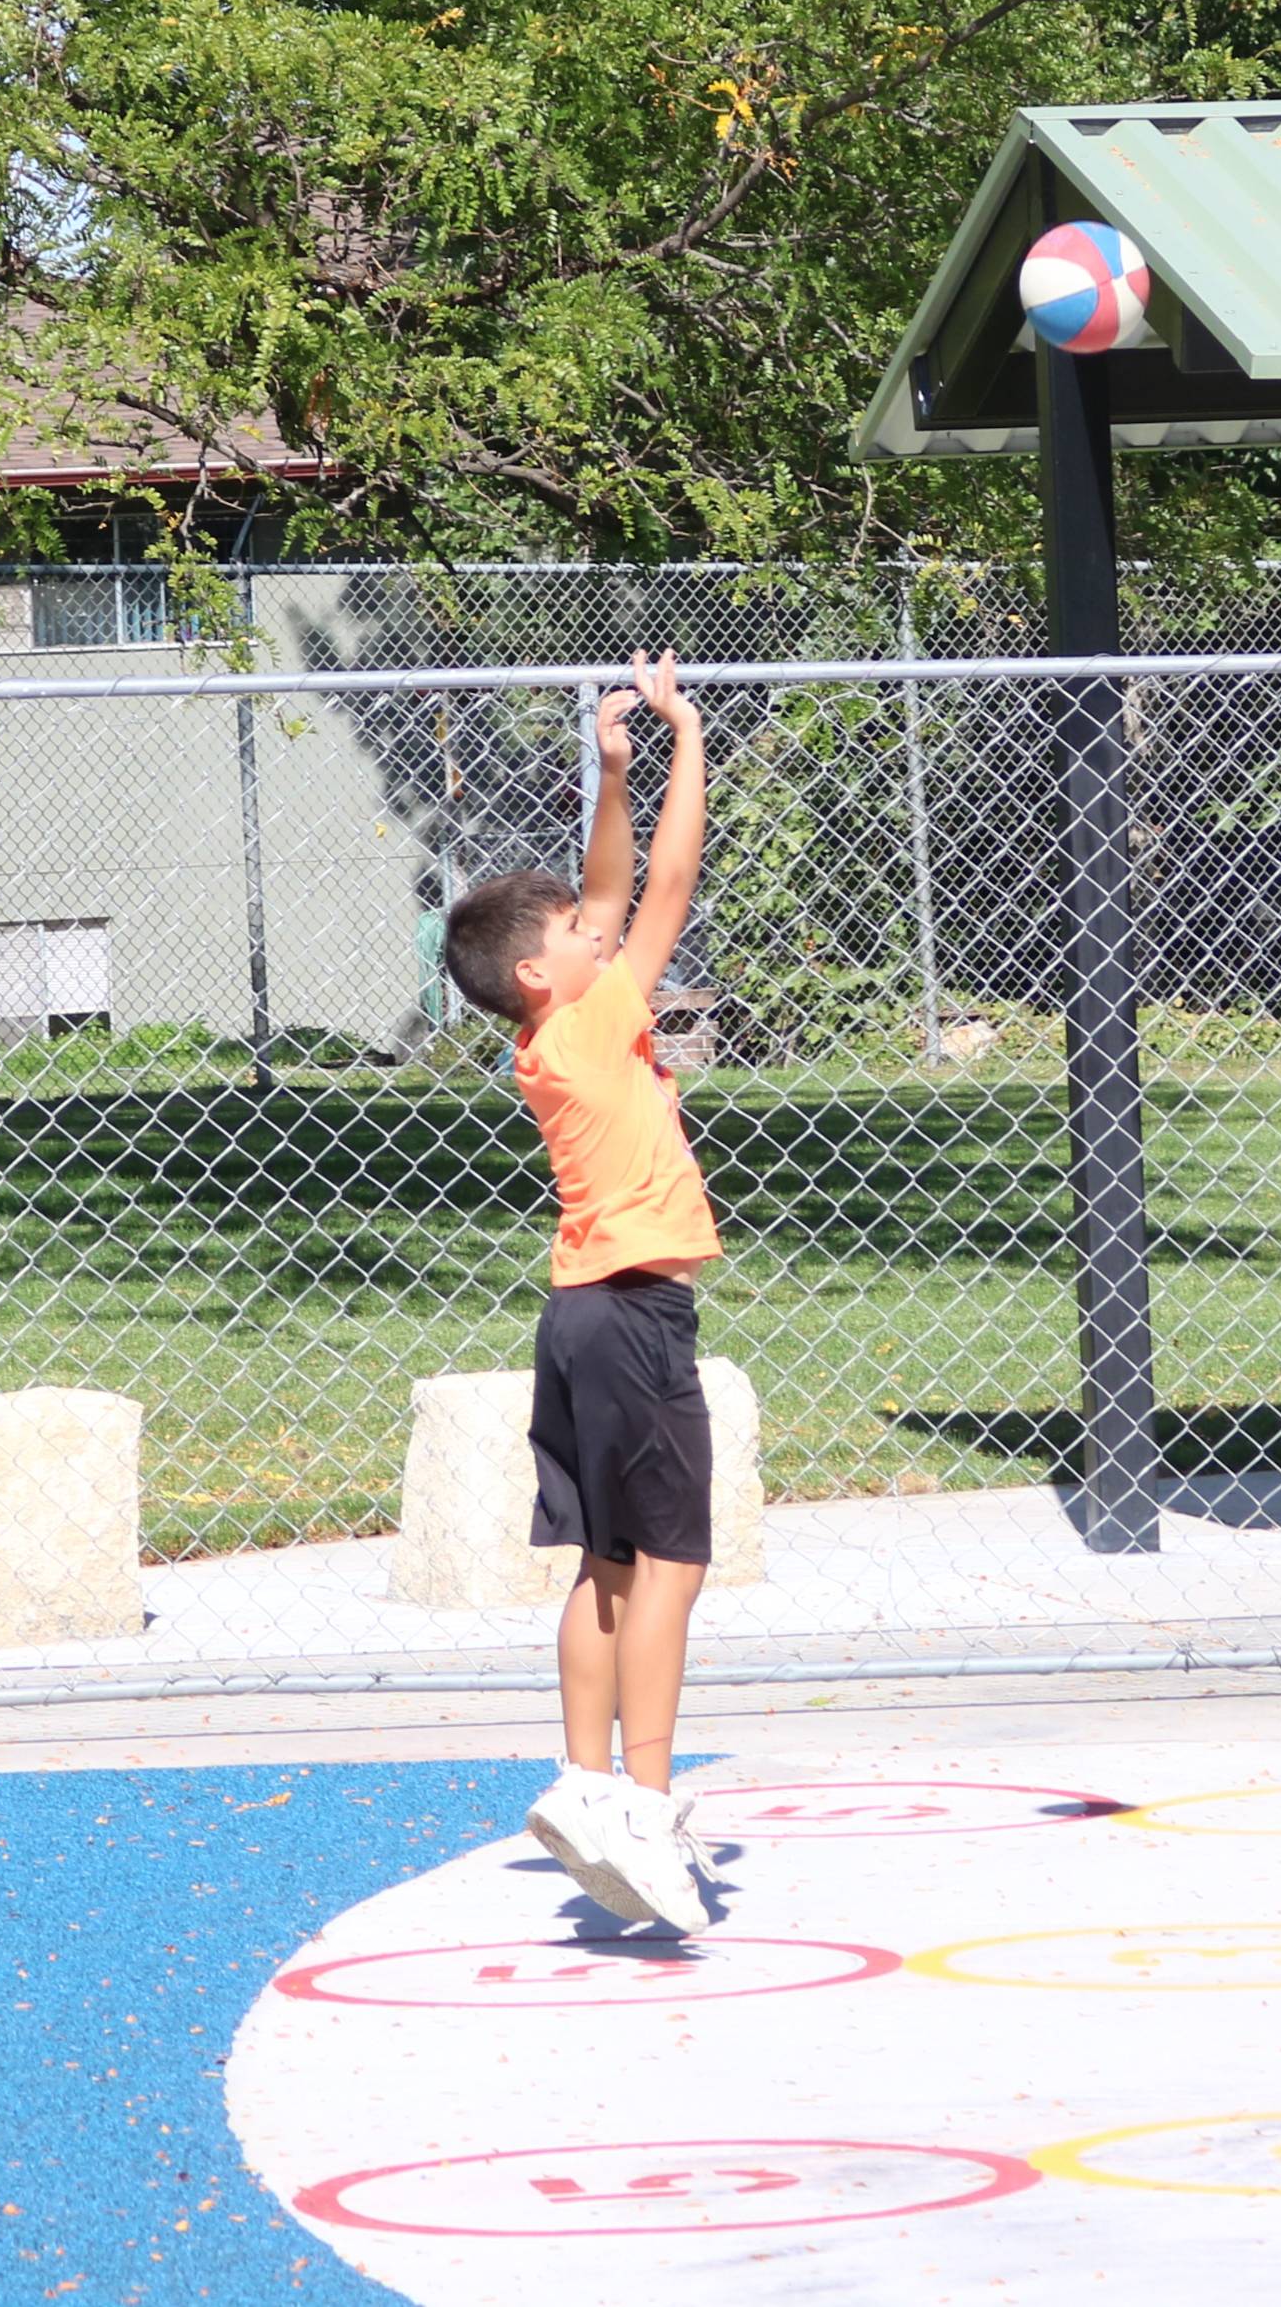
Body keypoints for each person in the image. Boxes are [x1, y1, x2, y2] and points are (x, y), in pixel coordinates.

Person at [439, 650, 725, 1930]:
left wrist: (610, 766)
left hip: (578, 1317)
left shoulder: (551, 1029)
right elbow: (658, 884)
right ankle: (648, 1804)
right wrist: (687, 741)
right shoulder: (594, 1016)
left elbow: (603, 889)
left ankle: (581, 1778)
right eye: (573, 936)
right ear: (550, 972)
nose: (593, 930)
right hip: (633, 1314)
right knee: (668, 1565)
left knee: (604, 1568)